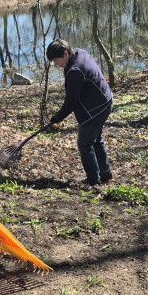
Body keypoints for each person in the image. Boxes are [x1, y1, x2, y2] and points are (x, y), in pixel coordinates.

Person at [46, 39, 113, 186]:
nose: (56, 64)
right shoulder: (79, 52)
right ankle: (105, 174)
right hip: (105, 100)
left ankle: (93, 180)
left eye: (56, 60)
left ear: (65, 54)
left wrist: (57, 117)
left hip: (95, 109)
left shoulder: (74, 71)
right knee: (96, 140)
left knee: (84, 144)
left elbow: (71, 101)